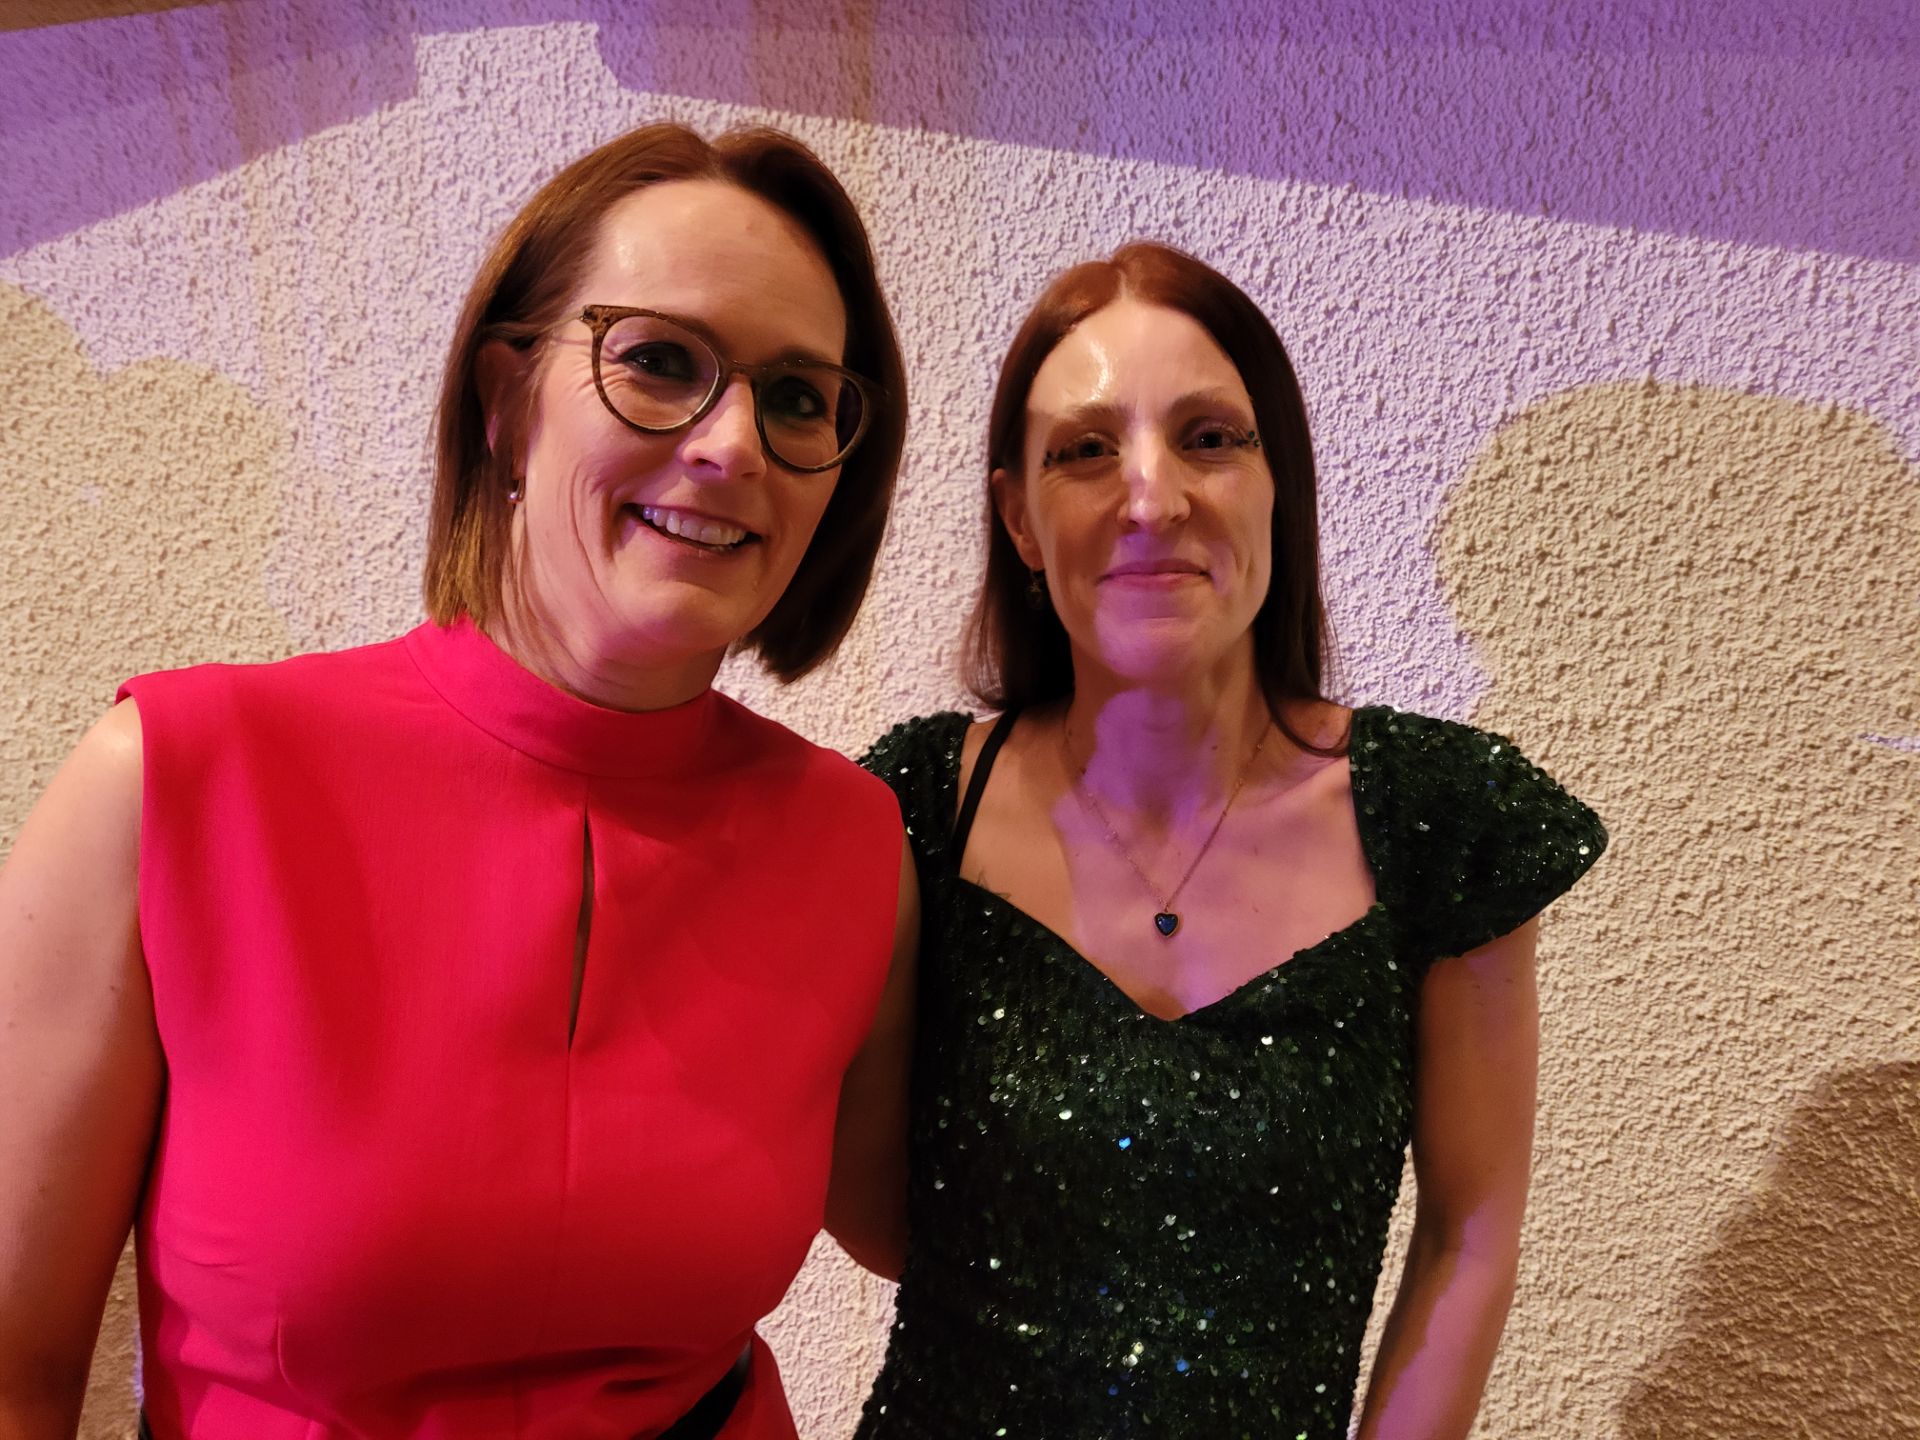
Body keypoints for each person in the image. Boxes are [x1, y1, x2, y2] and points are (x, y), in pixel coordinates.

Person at [0, 123, 915, 1440]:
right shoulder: (172, 781)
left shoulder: (851, 840)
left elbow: (940, 1229)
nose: (735, 445)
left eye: (798, 398)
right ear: (505, 402)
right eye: (660, 361)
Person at [853, 242, 1606, 1439]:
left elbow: (1470, 1235)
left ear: (1277, 486)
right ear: (1020, 521)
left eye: (1209, 438)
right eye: (1084, 450)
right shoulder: (914, 810)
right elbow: (874, 1208)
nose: (1153, 498)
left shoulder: (1444, 821)